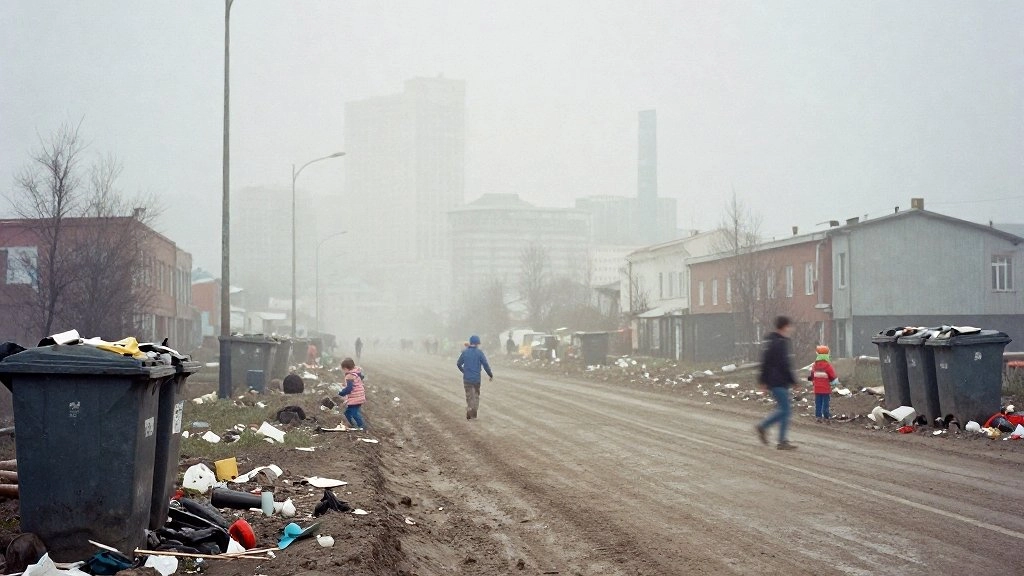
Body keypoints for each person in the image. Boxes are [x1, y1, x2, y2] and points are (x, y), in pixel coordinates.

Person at [755, 316, 797, 450]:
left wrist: (763, 381)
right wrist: (793, 381)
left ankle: (766, 429)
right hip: (779, 381)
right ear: (785, 327)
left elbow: (765, 362)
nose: (791, 328)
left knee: (783, 410)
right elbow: (784, 364)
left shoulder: (771, 341)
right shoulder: (780, 342)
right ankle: (778, 437)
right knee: (785, 410)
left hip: (774, 381)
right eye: (789, 326)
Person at [456, 334, 493, 420]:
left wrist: (464, 371)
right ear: (477, 343)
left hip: (467, 379)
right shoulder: (479, 353)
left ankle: (470, 408)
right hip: (476, 379)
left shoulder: (465, 352)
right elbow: (485, 364)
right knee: (476, 395)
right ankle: (474, 412)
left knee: (469, 395)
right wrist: (490, 374)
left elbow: (458, 364)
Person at [809, 345, 838, 423]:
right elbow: (832, 376)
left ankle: (818, 416)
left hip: (817, 388)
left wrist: (812, 380)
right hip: (825, 389)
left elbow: (812, 376)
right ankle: (826, 416)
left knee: (818, 403)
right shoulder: (828, 366)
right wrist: (833, 381)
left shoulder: (814, 365)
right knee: (825, 403)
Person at [338, 357, 366, 429]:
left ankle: (362, 427)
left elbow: (349, 389)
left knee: (354, 413)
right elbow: (355, 383)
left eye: (343, 369)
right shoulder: (356, 373)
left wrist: (342, 393)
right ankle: (353, 425)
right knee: (347, 413)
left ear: (346, 368)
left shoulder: (349, 376)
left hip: (355, 398)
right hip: (359, 396)